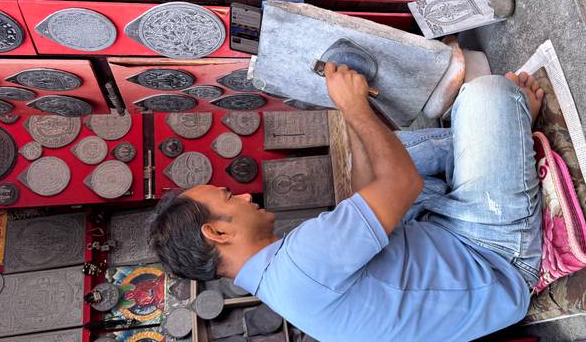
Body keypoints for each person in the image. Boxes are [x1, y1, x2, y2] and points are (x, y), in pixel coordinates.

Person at [149, 38, 545, 341]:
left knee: (396, 153)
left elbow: (365, 195)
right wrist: (354, 106)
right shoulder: (301, 264)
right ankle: (509, 121)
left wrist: (349, 111)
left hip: (439, 242)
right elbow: (402, 185)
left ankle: (495, 135)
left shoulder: (282, 279)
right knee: (487, 93)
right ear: (218, 232)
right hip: (495, 258)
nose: (246, 196)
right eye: (229, 198)